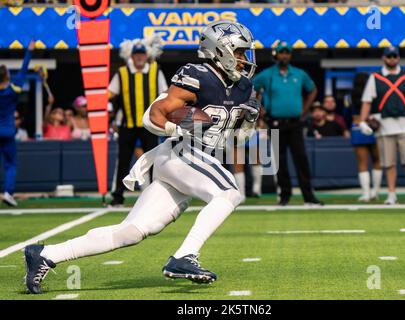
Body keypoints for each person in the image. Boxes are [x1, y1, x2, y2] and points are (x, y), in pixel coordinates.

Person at [24, 20, 258, 294]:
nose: (244, 59)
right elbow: (155, 114)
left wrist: (249, 122)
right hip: (182, 153)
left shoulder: (243, 87)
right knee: (229, 192)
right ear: (219, 50)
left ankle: (45, 254)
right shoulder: (198, 75)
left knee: (132, 231)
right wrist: (175, 126)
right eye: (240, 52)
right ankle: (185, 256)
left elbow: (238, 138)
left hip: (196, 162)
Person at [253, 41, 322, 206]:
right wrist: (259, 108)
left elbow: (312, 90)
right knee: (280, 161)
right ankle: (284, 196)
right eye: (281, 52)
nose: (285, 55)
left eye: (287, 52)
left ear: (290, 55)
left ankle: (308, 196)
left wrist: (305, 110)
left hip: (295, 122)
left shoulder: (299, 74)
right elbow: (250, 89)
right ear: (276, 55)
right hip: (275, 123)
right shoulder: (268, 74)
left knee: (301, 159)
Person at [359, 46, 405, 205]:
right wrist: (362, 121)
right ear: (384, 58)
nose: (392, 59)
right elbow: (367, 101)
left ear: (398, 58)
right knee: (388, 162)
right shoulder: (375, 77)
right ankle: (392, 194)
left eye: (394, 56)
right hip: (384, 126)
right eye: (389, 56)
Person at [108, 36, 168, 207]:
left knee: (155, 161)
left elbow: (164, 95)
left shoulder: (155, 70)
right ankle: (117, 197)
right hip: (127, 124)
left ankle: (156, 197)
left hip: (150, 124)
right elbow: (109, 94)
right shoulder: (122, 73)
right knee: (123, 161)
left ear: (147, 55)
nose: (140, 57)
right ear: (131, 56)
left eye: (142, 54)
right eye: (137, 54)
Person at [0, 40, 34, 207]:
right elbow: (23, 68)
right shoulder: (13, 89)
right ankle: (8, 193)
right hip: (7, 130)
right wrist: (29, 51)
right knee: (10, 164)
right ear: (7, 76)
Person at [346, 72, 382, 202]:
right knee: (377, 160)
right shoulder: (374, 95)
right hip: (373, 127)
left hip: (357, 127)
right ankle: (375, 192)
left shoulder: (348, 97)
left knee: (362, 163)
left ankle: (366, 193)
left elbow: (346, 114)